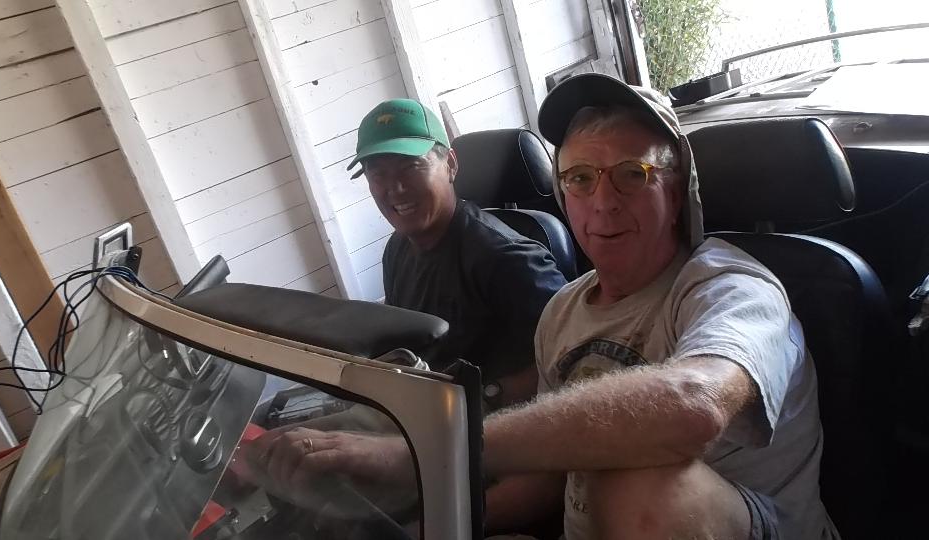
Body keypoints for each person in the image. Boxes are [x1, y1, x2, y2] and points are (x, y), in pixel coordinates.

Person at [247, 75, 835, 539]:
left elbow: (693, 405)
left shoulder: (733, 288)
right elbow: (554, 473)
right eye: (580, 178)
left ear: (676, 189)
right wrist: (434, 528)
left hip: (735, 523)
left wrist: (416, 454)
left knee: (637, 479)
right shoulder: (563, 312)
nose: (603, 201)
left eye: (632, 175)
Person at [346, 98, 567, 409]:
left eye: (411, 166)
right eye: (377, 173)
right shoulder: (398, 248)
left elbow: (571, 359)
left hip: (494, 424)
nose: (395, 188)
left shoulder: (507, 259)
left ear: (450, 164)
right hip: (421, 411)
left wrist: (480, 399)